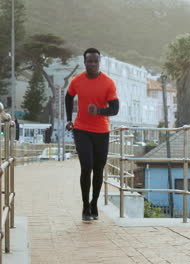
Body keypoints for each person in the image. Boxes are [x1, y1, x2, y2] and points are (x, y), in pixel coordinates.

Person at [65, 48, 119, 220]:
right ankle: (85, 206)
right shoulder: (77, 81)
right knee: (86, 167)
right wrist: (68, 119)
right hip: (81, 129)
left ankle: (94, 203)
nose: (93, 64)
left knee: (98, 169)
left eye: (96, 61)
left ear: (99, 62)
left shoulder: (108, 83)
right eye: (89, 61)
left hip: (102, 131)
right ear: (84, 62)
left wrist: (98, 111)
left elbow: (115, 109)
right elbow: (68, 97)